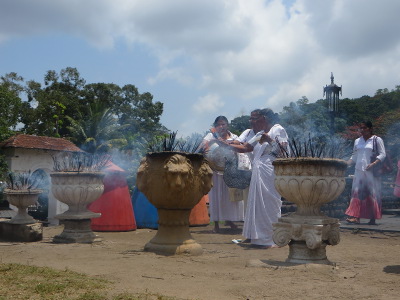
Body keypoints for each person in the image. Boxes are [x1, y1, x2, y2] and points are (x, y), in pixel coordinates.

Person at [218, 109, 288, 248]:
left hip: (270, 170)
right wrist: (224, 144)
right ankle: (259, 239)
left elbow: (283, 151)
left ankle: (272, 239)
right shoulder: (259, 134)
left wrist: (269, 139)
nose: (252, 122)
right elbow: (245, 147)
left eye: (254, 119)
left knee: (269, 204)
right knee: (257, 205)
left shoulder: (278, 129)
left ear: (264, 118)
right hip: (258, 171)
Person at [201, 116, 244, 233]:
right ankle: (216, 224)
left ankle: (230, 221)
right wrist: (212, 142)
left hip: (230, 170)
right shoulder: (210, 136)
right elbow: (202, 146)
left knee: (230, 198)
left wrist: (227, 142)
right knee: (216, 197)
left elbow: (241, 144)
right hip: (215, 170)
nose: (221, 127)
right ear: (215, 126)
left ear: (227, 125)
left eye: (224, 124)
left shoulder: (234, 136)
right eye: (219, 125)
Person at [345, 121, 386, 225]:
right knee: (357, 192)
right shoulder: (357, 141)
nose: (362, 130)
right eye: (361, 128)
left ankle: (372, 218)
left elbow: (383, 154)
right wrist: (345, 164)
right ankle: (356, 217)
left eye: (364, 128)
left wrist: (374, 163)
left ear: (370, 129)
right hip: (359, 170)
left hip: (371, 171)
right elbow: (354, 156)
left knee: (372, 193)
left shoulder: (377, 140)